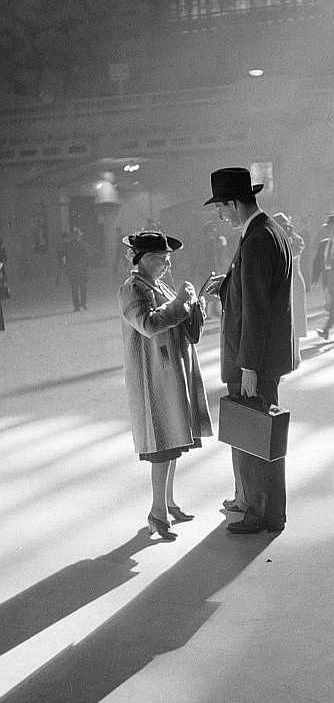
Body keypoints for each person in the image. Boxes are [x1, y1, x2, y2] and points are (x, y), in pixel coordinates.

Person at [204, 167, 294, 534]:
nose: (219, 215)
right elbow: (258, 292)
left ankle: (258, 514)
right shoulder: (267, 231)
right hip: (262, 355)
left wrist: (249, 367)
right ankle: (260, 506)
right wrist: (227, 284)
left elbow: (257, 309)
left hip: (254, 357)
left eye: (221, 208)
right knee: (257, 433)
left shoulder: (256, 239)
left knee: (254, 432)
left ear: (233, 203)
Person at [118, 231, 213, 541]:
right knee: (161, 445)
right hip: (153, 380)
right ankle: (156, 512)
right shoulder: (132, 289)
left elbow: (179, 314)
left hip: (169, 374)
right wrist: (182, 303)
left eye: (168, 261)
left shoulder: (157, 285)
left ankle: (168, 503)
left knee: (172, 442)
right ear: (142, 259)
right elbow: (148, 324)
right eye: (161, 260)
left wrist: (192, 302)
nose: (166, 267)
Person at [274, 212, 307, 366]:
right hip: (280, 284)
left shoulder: (297, 239)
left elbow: (292, 255)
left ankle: (296, 352)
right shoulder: (274, 240)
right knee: (282, 318)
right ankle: (285, 352)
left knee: (297, 316)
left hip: (294, 282)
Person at [62, 226, 90, 311]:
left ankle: (76, 306)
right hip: (81, 269)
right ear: (79, 236)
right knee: (83, 287)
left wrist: (66, 268)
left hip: (72, 269)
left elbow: (64, 257)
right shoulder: (83, 244)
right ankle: (83, 304)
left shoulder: (67, 245)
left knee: (74, 288)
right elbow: (87, 257)